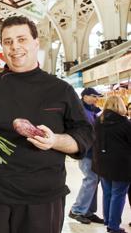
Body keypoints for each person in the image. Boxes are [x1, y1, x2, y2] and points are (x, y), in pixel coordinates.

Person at [0, 15, 93, 233]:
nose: (15, 47)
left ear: (36, 43)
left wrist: (55, 140)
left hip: (42, 197)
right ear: (2, 46)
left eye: (22, 39)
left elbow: (84, 136)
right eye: (8, 41)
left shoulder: (60, 89)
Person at [91, 95, 131, 233]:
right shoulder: (125, 123)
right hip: (122, 165)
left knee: (107, 193)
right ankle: (113, 226)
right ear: (120, 105)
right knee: (118, 195)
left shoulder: (98, 121)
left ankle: (108, 220)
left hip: (102, 163)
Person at [68, 87, 104, 224]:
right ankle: (77, 210)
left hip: (94, 151)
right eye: (94, 96)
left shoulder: (92, 110)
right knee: (91, 178)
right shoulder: (81, 111)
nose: (96, 99)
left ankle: (88, 211)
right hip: (86, 151)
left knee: (95, 179)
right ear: (85, 96)